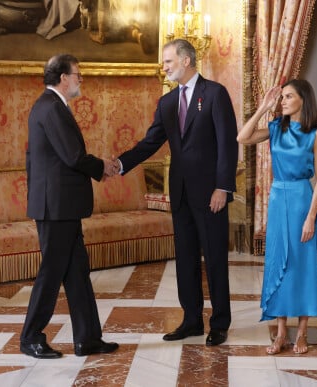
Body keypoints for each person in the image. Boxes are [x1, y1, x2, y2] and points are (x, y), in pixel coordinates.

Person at [116, 39, 238, 347]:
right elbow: (150, 143)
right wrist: (119, 164)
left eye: (168, 61)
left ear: (185, 61)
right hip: (181, 193)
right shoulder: (167, 102)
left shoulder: (214, 94)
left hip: (212, 194)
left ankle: (220, 322)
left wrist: (222, 187)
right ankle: (192, 320)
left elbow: (228, 144)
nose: (164, 67)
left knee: (214, 260)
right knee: (185, 259)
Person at [20, 54, 119, 359]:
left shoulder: (52, 106)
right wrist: (102, 166)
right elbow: (73, 156)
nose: (80, 80)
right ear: (63, 77)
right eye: (77, 75)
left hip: (62, 206)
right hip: (55, 207)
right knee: (52, 273)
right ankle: (30, 338)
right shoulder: (51, 108)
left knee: (77, 272)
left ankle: (88, 338)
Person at [237, 79, 317, 355]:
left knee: (302, 263)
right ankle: (280, 334)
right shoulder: (277, 127)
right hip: (278, 199)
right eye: (282, 97)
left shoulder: (316, 133)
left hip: (303, 198)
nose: (283, 101)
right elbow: (242, 137)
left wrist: (311, 216)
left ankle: (301, 333)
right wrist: (263, 108)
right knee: (279, 262)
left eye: (289, 96)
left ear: (304, 99)